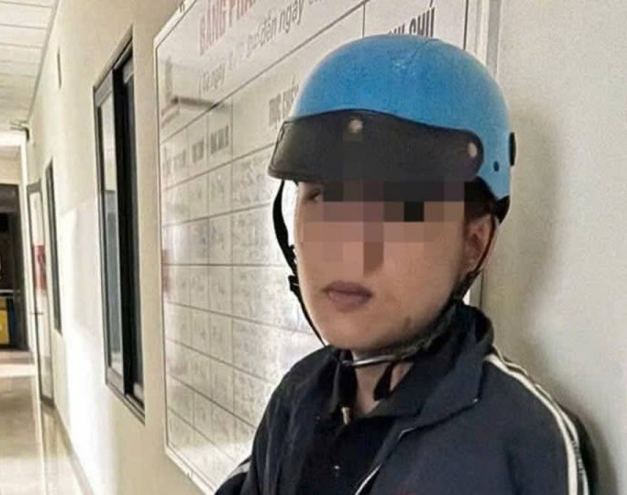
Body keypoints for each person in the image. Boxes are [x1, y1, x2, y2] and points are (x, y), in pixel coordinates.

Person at [216, 34, 595, 495]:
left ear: (474, 243)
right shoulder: (297, 399)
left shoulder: (523, 443)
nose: (349, 248)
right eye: (324, 196)